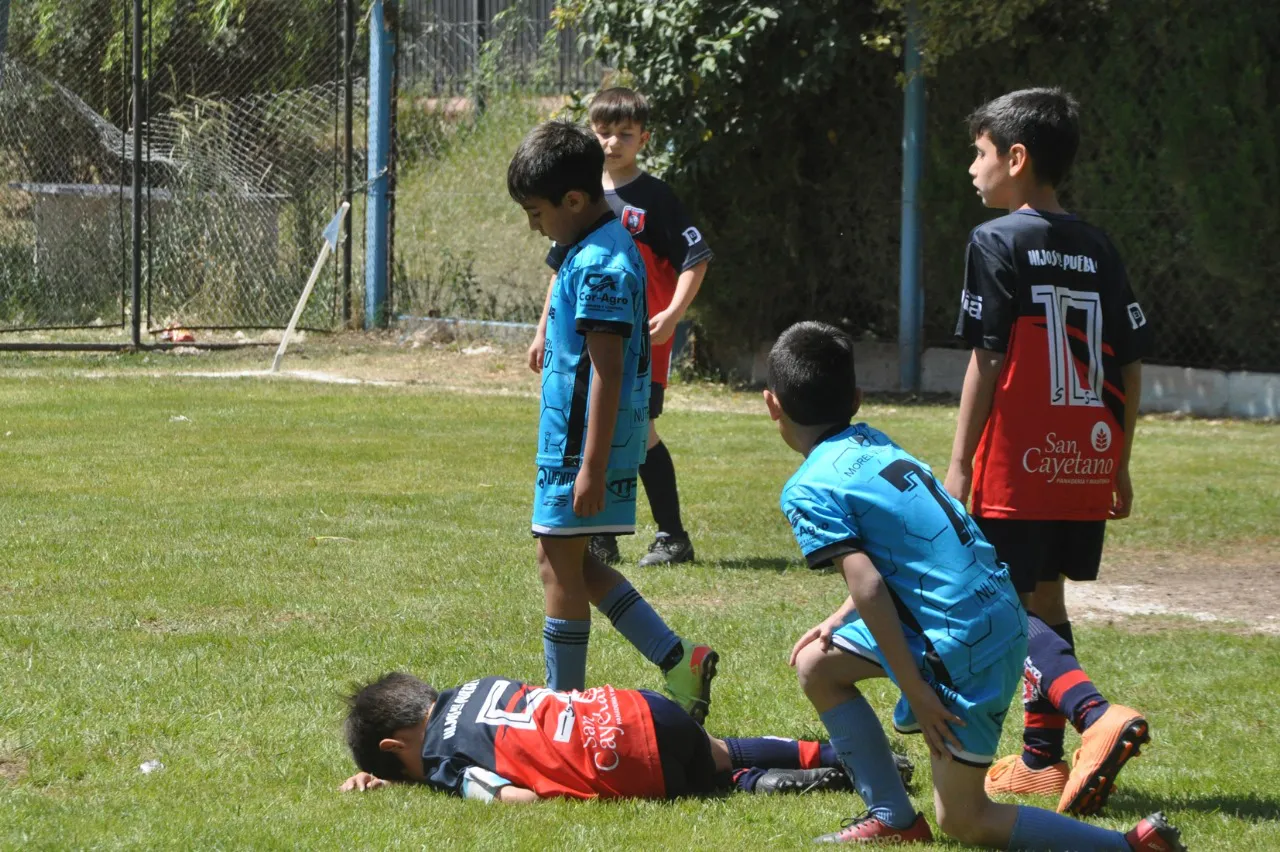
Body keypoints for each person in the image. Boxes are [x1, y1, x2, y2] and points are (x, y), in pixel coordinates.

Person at [766, 322, 1183, 849]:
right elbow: (910, 556)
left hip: (960, 642)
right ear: (856, 397)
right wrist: (836, 620)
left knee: (965, 819)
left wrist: (916, 692)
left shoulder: (807, 488)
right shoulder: (873, 443)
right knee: (818, 664)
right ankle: (893, 817)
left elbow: (871, 583)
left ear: (770, 404)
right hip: (993, 612)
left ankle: (1126, 846)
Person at [943, 88, 1154, 815]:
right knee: (1046, 597)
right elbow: (1127, 362)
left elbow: (988, 360)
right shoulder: (1099, 245)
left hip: (1018, 463)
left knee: (1004, 605)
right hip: (1084, 457)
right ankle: (1040, 760)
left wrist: (960, 461)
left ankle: (1096, 715)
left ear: (1017, 157)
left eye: (980, 151)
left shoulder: (995, 240)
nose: (972, 167)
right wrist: (1118, 461)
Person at [507, 119, 717, 721]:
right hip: (577, 443)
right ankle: (680, 660)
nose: (535, 226)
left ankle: (562, 711)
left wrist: (593, 465)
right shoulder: (591, 245)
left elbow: (608, 371)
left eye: (537, 212)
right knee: (573, 562)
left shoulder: (600, 262)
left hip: (580, 447)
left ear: (574, 200)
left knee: (557, 563)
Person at [529, 87, 713, 569]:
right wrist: (542, 330)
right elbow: (559, 269)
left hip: (639, 343)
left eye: (624, 134)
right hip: (583, 341)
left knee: (639, 431)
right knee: (603, 426)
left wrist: (672, 314)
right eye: (603, 132)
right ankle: (602, 536)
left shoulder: (656, 198)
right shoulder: (582, 199)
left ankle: (673, 534)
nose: (612, 143)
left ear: (643, 139)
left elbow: (696, 258)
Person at [339, 672, 916, 800]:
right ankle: (847, 754)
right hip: (640, 707)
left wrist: (436, 784)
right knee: (715, 750)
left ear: (398, 746)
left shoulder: (442, 758)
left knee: (706, 784)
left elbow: (514, 798)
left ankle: (771, 782)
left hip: (623, 756)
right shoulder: (473, 686)